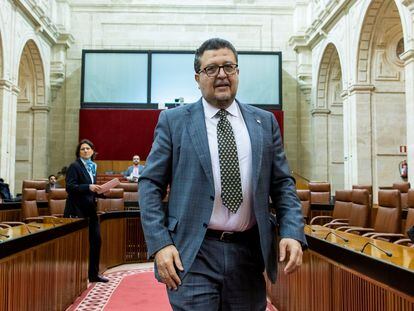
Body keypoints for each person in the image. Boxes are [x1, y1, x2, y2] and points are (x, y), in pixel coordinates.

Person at [139, 38, 306, 310]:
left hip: (248, 254)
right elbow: (150, 185)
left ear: (237, 72)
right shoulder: (174, 121)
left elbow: (283, 184)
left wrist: (292, 231)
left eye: (228, 67)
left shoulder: (264, 123)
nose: (221, 75)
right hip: (192, 253)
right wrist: (160, 244)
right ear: (197, 77)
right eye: (211, 69)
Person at [64, 139, 109, 283]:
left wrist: (102, 191)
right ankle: (73, 277)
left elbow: (91, 190)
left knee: (96, 241)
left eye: (87, 149)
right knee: (78, 244)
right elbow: (70, 187)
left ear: (92, 151)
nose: (85, 151)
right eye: (82, 149)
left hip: (90, 209)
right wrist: (88, 187)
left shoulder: (92, 167)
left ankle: (93, 275)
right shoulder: (74, 166)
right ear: (78, 152)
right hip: (77, 210)